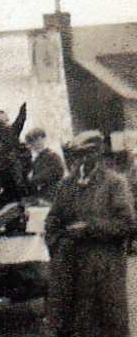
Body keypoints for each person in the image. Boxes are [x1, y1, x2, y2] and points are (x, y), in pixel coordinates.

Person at [44, 130, 136, 337]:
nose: (81, 160)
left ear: (99, 153)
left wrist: (90, 228)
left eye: (87, 154)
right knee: (73, 321)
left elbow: (128, 224)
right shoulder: (67, 185)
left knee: (108, 321)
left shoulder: (114, 183)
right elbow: (52, 219)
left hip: (105, 265)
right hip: (70, 265)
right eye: (77, 155)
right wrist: (58, 243)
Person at [24, 128, 65, 203]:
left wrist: (31, 182)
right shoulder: (36, 160)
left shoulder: (53, 156)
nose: (37, 144)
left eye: (40, 140)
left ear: (44, 140)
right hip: (42, 193)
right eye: (34, 141)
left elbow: (52, 174)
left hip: (52, 193)